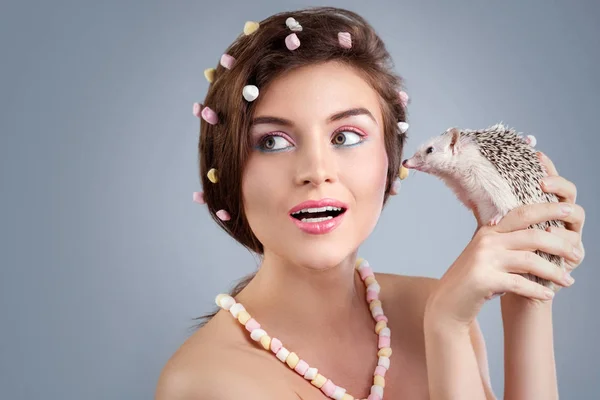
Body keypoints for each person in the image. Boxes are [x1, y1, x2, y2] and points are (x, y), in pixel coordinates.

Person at [155, 6, 586, 400]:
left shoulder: (433, 304)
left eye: (345, 137)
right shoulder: (207, 381)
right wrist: (446, 329)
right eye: (272, 141)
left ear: (389, 159)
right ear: (230, 171)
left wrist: (531, 288)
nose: (317, 170)